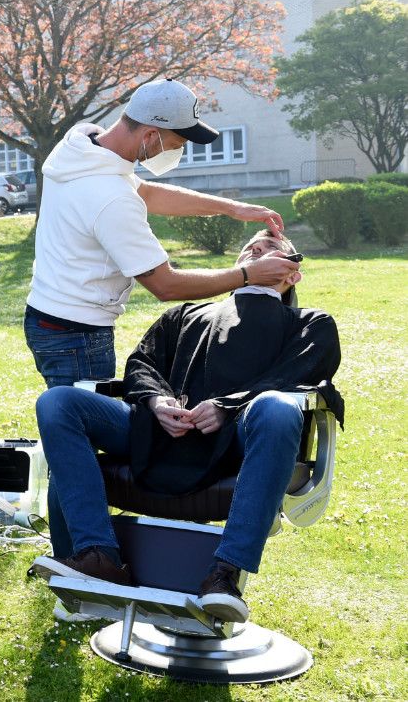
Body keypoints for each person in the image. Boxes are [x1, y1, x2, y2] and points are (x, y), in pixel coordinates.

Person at [24, 78, 302, 574]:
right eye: (175, 142)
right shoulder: (108, 198)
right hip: (74, 332)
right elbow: (166, 285)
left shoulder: (83, 147)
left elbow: (146, 190)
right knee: (72, 437)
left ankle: (84, 554)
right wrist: (246, 275)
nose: (176, 151)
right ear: (151, 135)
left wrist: (232, 208)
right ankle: (81, 560)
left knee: (70, 434)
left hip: (53, 317)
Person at [29, 231, 342, 624]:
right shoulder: (186, 315)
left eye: (271, 248)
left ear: (291, 274)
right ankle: (99, 555)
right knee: (58, 402)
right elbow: (142, 363)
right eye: (251, 245)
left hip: (241, 438)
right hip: (161, 433)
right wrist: (156, 400)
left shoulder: (310, 324)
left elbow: (301, 374)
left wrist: (229, 407)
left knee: (278, 408)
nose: (257, 247)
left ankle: (224, 576)